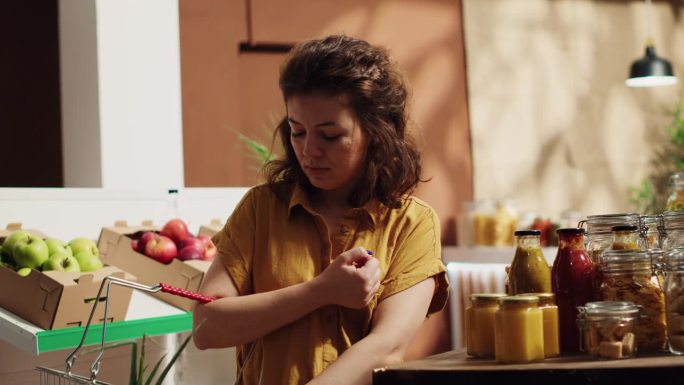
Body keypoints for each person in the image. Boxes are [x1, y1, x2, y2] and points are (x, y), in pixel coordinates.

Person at [193, 34, 449, 385]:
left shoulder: (413, 224)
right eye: (297, 132)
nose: (309, 150)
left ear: (377, 133)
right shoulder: (261, 208)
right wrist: (321, 291)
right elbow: (207, 328)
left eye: (330, 136)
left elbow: (386, 347)